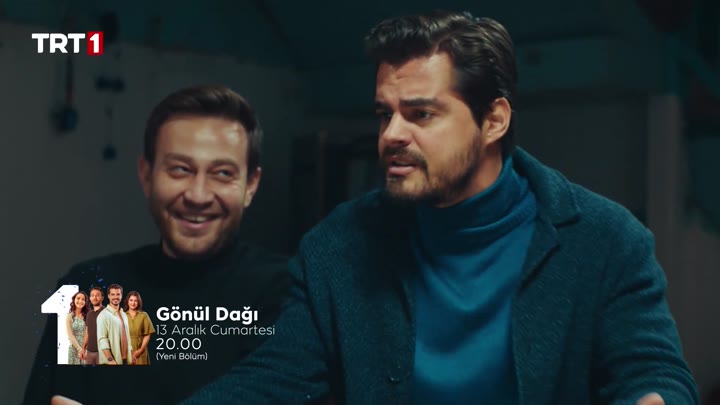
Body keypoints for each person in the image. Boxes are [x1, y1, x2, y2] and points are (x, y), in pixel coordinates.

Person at [182, 11, 699, 405]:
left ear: (493, 120)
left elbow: (652, 372)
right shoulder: (338, 244)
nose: (392, 134)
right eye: (384, 114)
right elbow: (276, 375)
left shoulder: (606, 239)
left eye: (421, 114)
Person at [23, 85, 291, 404]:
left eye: (222, 173)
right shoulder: (88, 291)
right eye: (180, 169)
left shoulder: (287, 293)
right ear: (146, 175)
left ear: (251, 185)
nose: (198, 195)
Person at [96, 284, 133, 365]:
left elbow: (127, 337)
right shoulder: (103, 315)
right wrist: (110, 360)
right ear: (108, 296)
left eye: (118, 294)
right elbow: (102, 340)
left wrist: (131, 354)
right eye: (112, 294)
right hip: (113, 361)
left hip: (126, 360)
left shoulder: (123, 314)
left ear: (121, 296)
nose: (115, 297)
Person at [123, 291, 155, 365]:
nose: (133, 303)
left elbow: (147, 335)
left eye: (135, 301)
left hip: (141, 350)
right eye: (131, 300)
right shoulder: (122, 315)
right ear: (127, 301)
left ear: (138, 302)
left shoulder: (144, 315)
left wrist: (141, 351)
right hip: (126, 350)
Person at [81, 286, 104, 366]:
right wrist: (83, 348)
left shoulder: (106, 312)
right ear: (90, 298)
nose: (94, 297)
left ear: (102, 298)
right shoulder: (89, 314)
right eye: (92, 295)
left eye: (97, 295)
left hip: (102, 352)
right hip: (89, 352)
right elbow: (87, 332)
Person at [65, 291, 88, 365]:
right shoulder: (69, 316)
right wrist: (80, 350)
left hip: (86, 351)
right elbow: (70, 335)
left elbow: (88, 333)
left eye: (83, 299)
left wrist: (84, 350)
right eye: (78, 298)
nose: (80, 301)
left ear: (85, 302)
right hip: (74, 349)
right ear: (74, 300)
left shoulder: (87, 316)